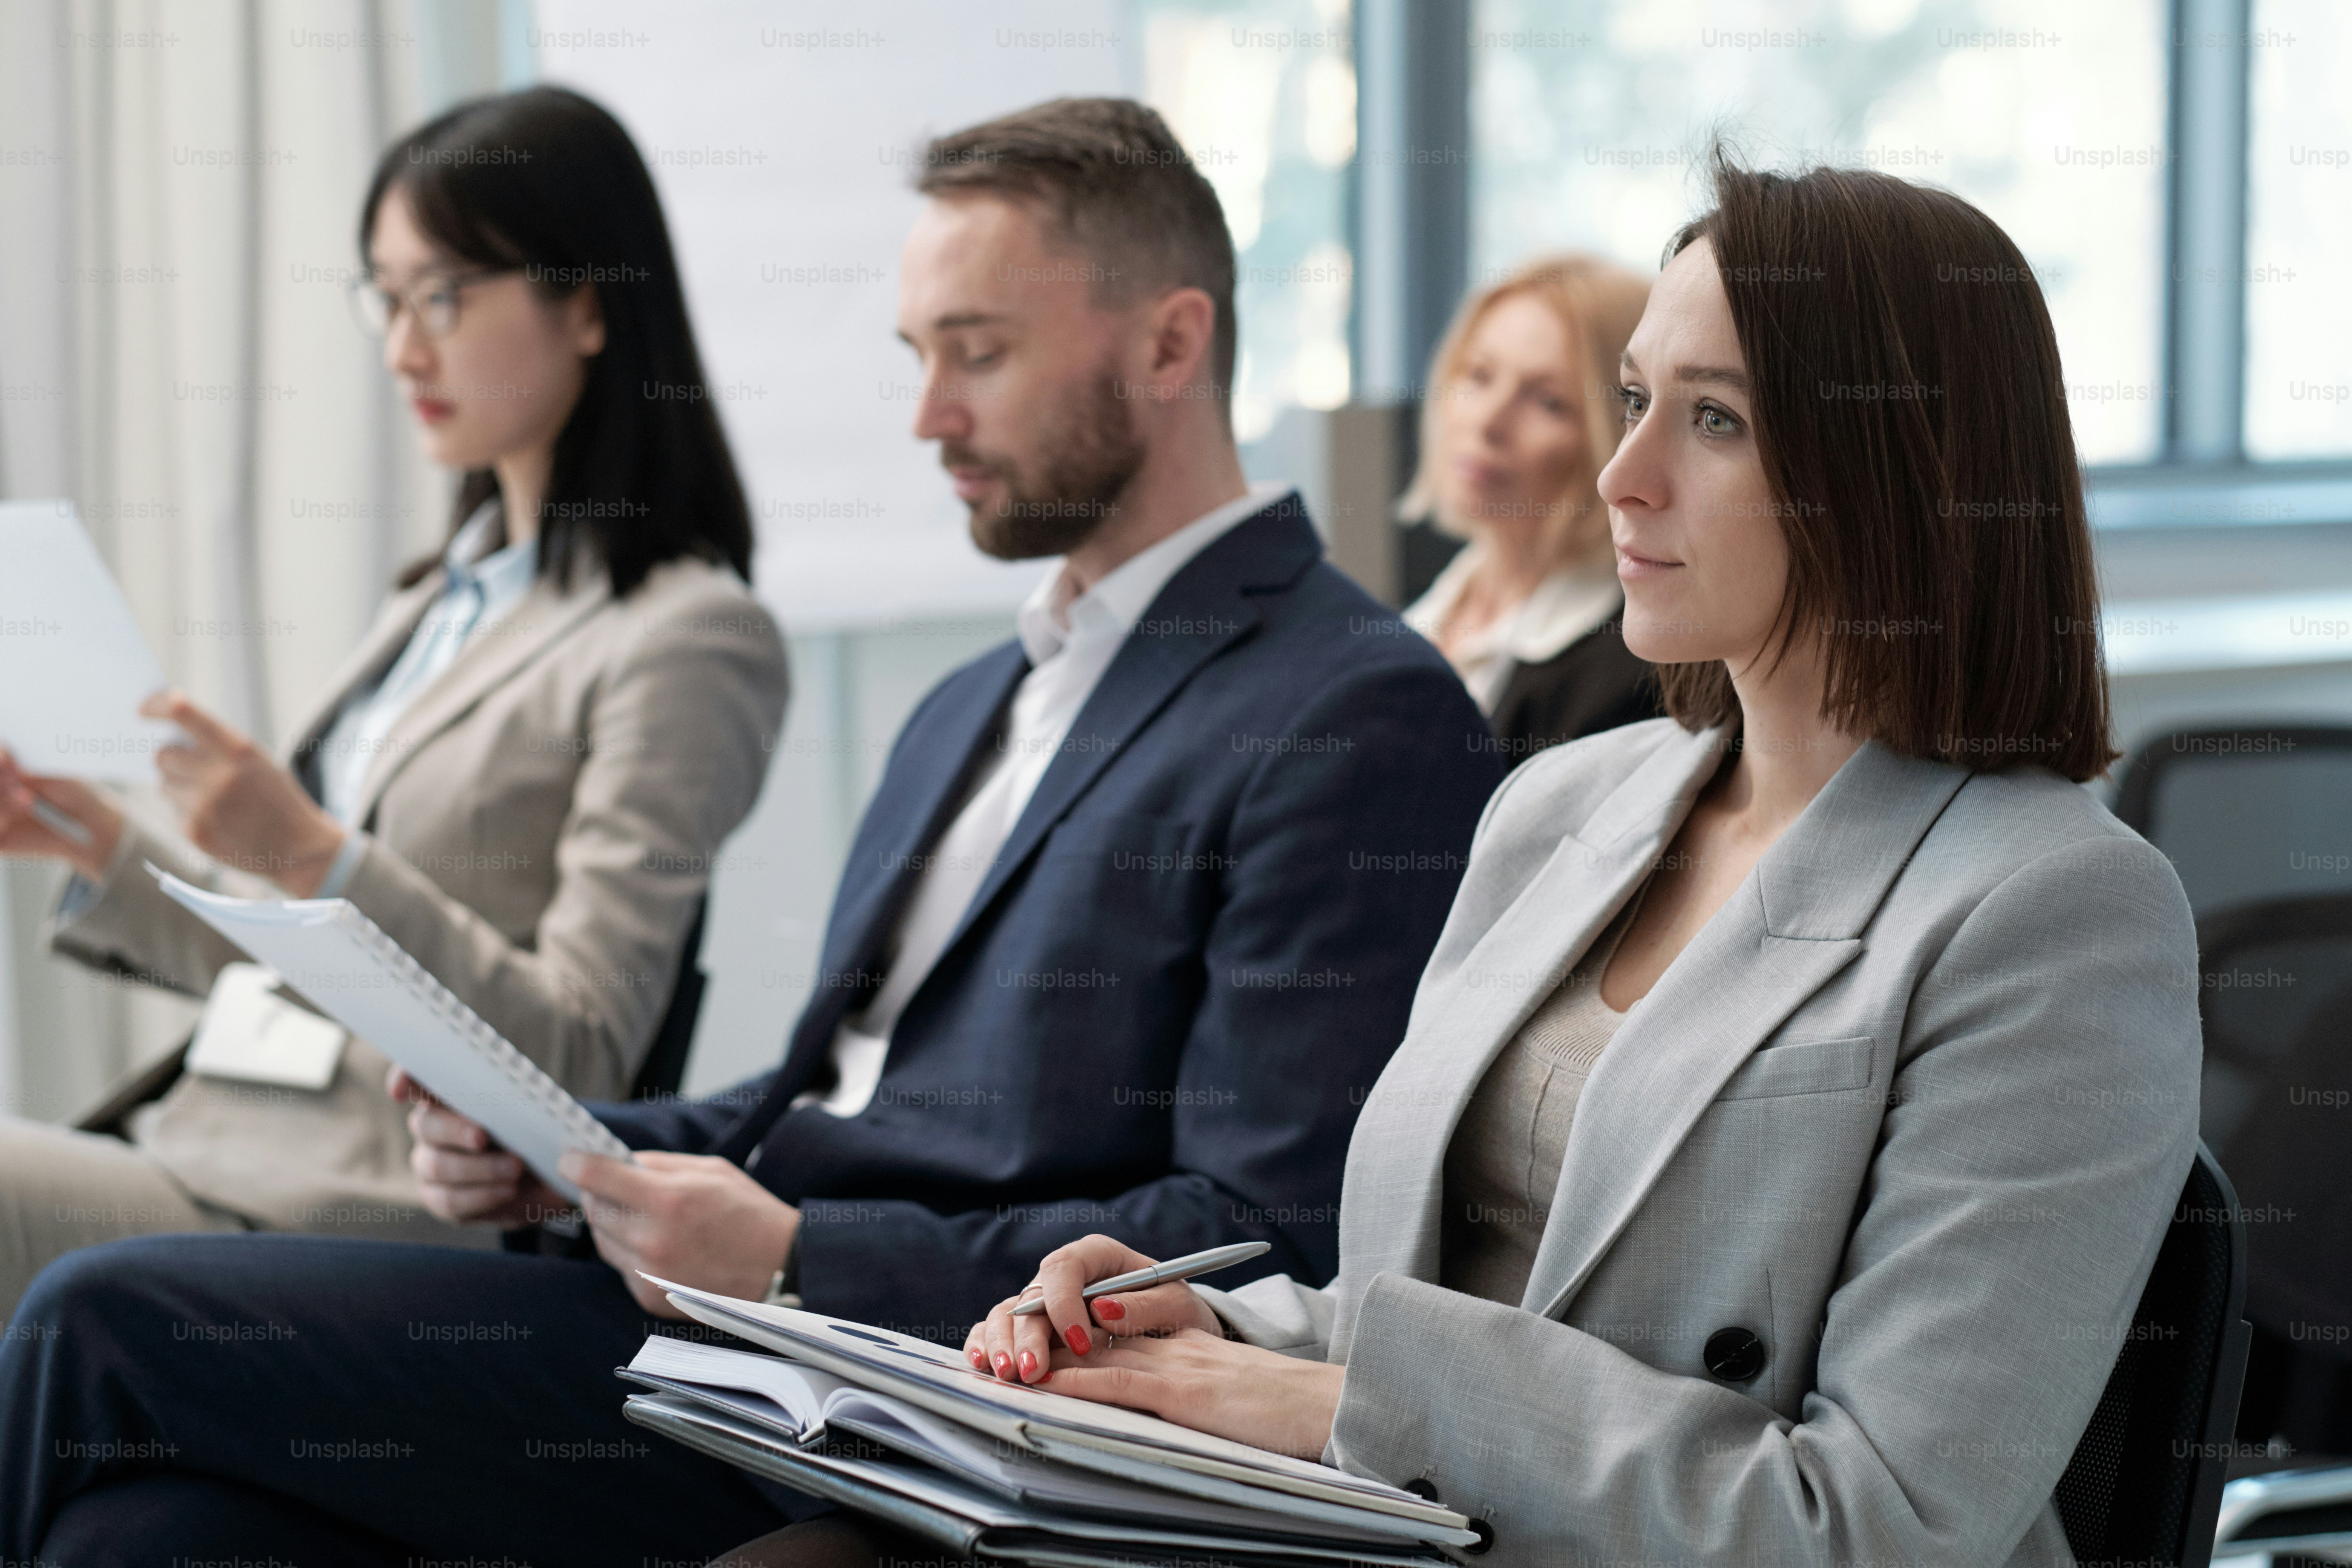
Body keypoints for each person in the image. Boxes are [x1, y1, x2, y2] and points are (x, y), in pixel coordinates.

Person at [0, 98, 1503, 1564]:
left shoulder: (1353, 706)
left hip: (908, 1385)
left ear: (1172, 343)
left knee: (99, 1311)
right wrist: (573, 1157)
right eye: (918, 356)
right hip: (747, 1323)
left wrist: (794, 1256)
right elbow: (813, 1100)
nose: (925, 415)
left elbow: (1253, 1230)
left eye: (977, 353)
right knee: (148, 1525)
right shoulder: (974, 700)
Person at [956, 158, 2206, 1568]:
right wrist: (1219, 1325)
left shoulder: (2058, 909)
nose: (1623, 476)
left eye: (1716, 419)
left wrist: (1333, 1405)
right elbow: (1457, 1302)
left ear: (1901, 471)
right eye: (1634, 400)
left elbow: (1871, 1528)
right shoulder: (1562, 808)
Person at [0, 86, 785, 1311]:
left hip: (362, 1205)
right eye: (389, 296)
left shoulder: (689, 638)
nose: (404, 347)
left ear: (587, 302)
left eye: (447, 294)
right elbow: (315, 969)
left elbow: (583, 1053)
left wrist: (310, 850)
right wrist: (98, 842)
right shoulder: (439, 596)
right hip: (211, 1144)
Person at [1400, 253, 1660, 760]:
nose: (1489, 421)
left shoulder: (1630, 680)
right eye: (1478, 375)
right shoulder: (1423, 615)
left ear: (1620, 435)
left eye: (1549, 402)